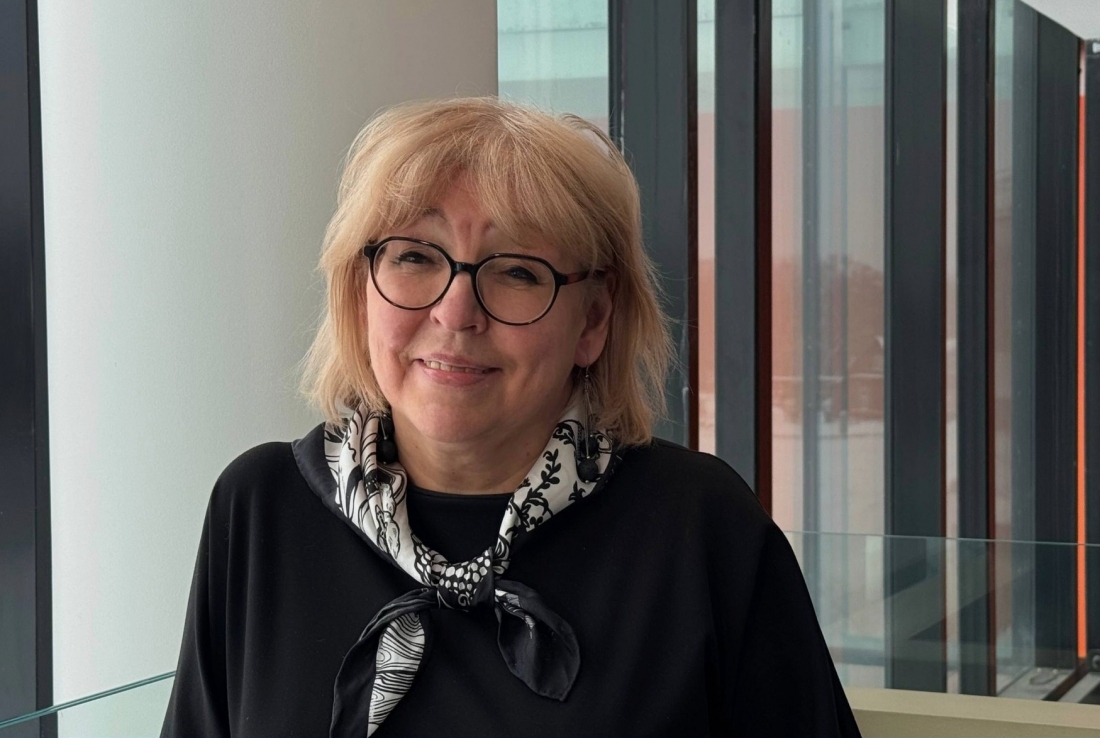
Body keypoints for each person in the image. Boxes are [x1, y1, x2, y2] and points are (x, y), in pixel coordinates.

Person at [161, 97, 860, 737]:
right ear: (358, 289)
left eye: (517, 270)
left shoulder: (700, 526)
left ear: (593, 319)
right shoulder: (260, 508)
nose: (456, 312)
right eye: (414, 256)